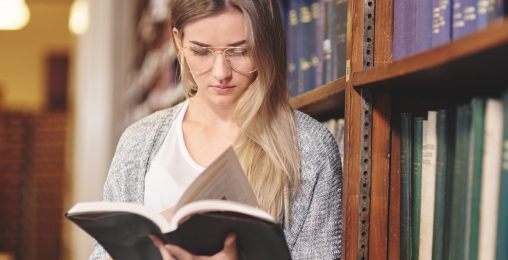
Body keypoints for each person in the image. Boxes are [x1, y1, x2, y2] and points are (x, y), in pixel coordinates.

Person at [90, 0, 342, 259]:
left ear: (265, 44)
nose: (221, 73)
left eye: (240, 51)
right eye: (201, 52)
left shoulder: (311, 149)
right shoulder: (138, 142)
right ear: (178, 41)